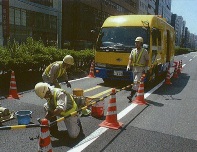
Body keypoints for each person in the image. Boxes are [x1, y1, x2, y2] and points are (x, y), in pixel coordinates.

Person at [126, 37, 149, 102]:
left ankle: (131, 95)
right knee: (135, 82)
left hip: (141, 69)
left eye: (138, 42)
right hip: (134, 68)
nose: (136, 44)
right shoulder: (133, 51)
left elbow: (147, 60)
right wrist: (128, 65)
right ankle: (138, 93)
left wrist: (146, 67)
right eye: (136, 42)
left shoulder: (144, 51)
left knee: (136, 82)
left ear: (141, 43)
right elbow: (130, 59)